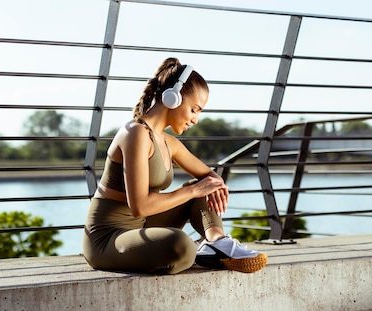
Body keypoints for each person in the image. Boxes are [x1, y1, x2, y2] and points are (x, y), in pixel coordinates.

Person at [82, 57, 267, 274]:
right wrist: (194, 190)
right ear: (173, 98)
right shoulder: (135, 134)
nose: (196, 119)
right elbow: (139, 207)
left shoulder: (168, 142)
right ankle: (198, 249)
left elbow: (210, 177)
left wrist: (214, 185)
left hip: (141, 227)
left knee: (202, 187)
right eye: (194, 109)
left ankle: (217, 243)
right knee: (181, 245)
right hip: (108, 239)